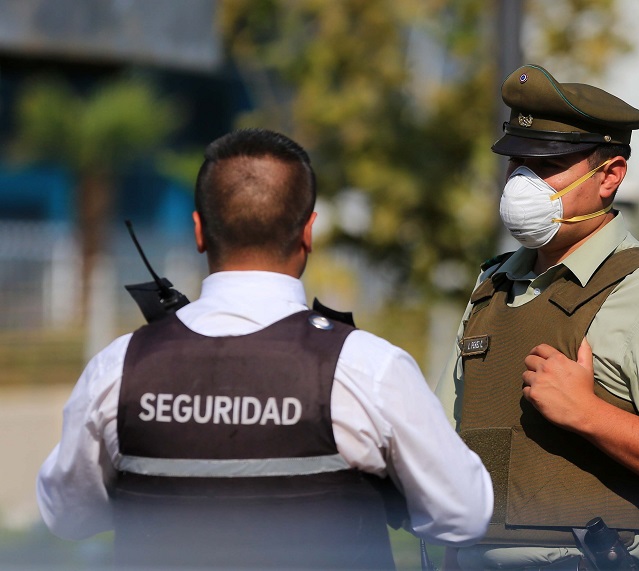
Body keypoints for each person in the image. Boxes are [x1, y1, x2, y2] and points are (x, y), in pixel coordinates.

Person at [36, 128, 493, 569]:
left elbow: (66, 516)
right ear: (308, 232)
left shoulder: (119, 369)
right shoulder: (368, 368)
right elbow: (465, 514)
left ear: (199, 230)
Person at [432, 64, 639, 570]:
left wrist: (589, 414)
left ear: (610, 176)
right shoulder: (490, 290)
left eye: (548, 164)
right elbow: (449, 450)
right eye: (518, 161)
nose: (522, 182)